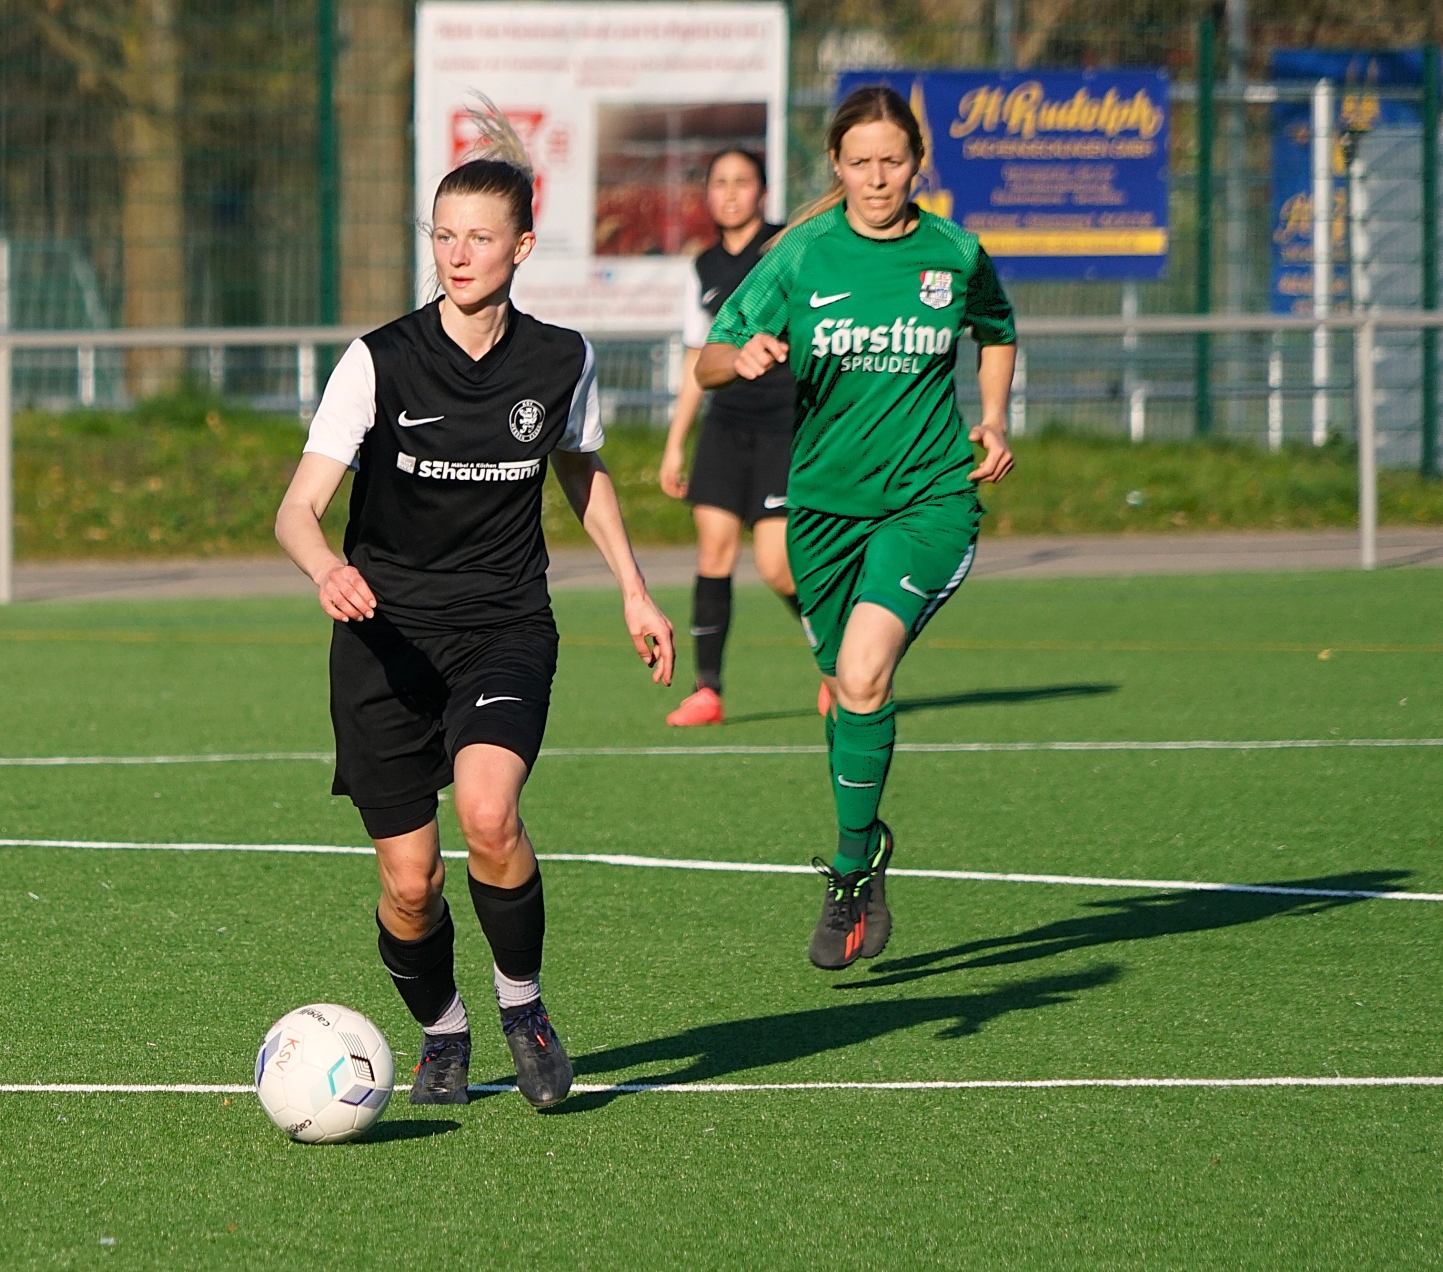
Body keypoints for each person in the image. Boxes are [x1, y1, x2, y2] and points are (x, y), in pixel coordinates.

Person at [275, 102, 676, 1108]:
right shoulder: (380, 360)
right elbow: (296, 508)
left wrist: (634, 590)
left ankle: (522, 1005)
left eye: (480, 237)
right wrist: (324, 567)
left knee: (492, 815)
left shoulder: (561, 359)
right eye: (444, 235)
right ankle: (443, 1030)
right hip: (383, 641)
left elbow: (582, 472)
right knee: (411, 884)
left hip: (503, 626)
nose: (457, 255)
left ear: (521, 247)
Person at [697, 85, 1017, 970]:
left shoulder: (954, 252)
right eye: (861, 162)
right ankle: (868, 846)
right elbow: (709, 358)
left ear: (918, 163)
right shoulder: (801, 255)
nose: (878, 178)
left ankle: (845, 870)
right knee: (845, 686)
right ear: (835, 166)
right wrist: (741, 356)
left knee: (866, 673)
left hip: (928, 498)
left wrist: (993, 418)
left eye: (893, 161)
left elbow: (996, 329)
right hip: (823, 510)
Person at [658, 148, 812, 728]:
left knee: (777, 565)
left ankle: (842, 661)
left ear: (763, 191)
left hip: (784, 424)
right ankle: (708, 691)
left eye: (742, 181)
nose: (729, 192)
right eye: (719, 182)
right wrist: (676, 442)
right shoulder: (702, 267)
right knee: (714, 552)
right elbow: (698, 358)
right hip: (726, 425)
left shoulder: (789, 250)